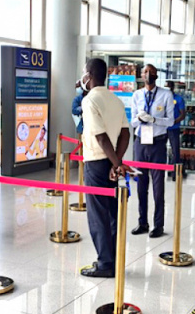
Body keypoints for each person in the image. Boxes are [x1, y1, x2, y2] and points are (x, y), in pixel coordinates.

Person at [79, 58, 130, 278]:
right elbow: (126, 133)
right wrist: (116, 162)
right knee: (111, 214)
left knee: (98, 215)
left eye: (84, 73)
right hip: (111, 161)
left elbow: (100, 137)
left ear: (89, 75)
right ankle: (112, 258)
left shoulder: (90, 100)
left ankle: (105, 264)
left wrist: (116, 164)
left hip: (96, 162)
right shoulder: (116, 100)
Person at [130, 64, 174, 238]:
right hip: (141, 142)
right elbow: (132, 121)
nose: (148, 75)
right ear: (141, 75)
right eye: (145, 72)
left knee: (158, 187)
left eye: (151, 72)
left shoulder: (165, 94)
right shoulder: (136, 95)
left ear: (156, 74)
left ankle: (158, 225)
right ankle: (142, 222)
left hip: (157, 143)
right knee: (141, 186)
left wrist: (154, 119)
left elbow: (170, 121)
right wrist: (139, 119)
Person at [166, 80, 186, 181]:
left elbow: (183, 114)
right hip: (162, 128)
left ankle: (175, 173)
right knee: (160, 150)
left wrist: (174, 122)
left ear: (172, 88)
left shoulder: (178, 99)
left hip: (174, 128)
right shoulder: (162, 98)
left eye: (168, 86)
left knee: (175, 151)